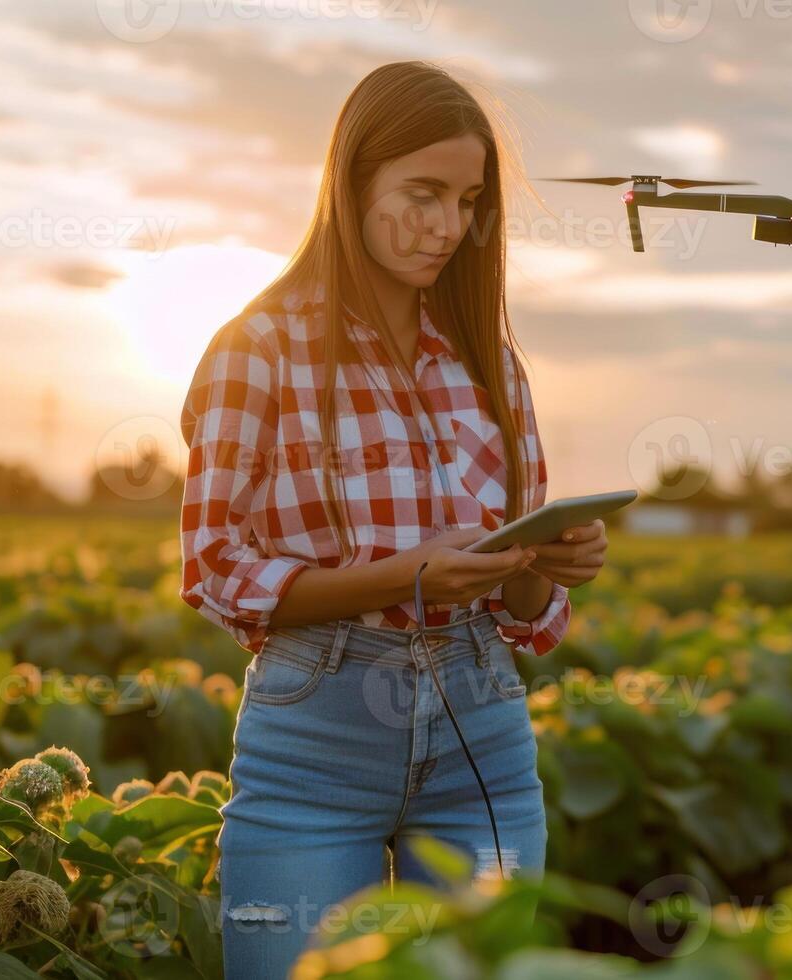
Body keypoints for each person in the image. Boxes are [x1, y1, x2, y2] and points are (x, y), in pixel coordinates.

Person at [176, 60, 608, 979]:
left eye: (466, 199)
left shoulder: (488, 360)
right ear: (351, 181)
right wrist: (406, 575)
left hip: (479, 729)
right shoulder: (257, 350)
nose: (446, 226)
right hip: (314, 739)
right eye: (420, 194)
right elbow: (213, 568)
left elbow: (519, 606)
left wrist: (547, 561)